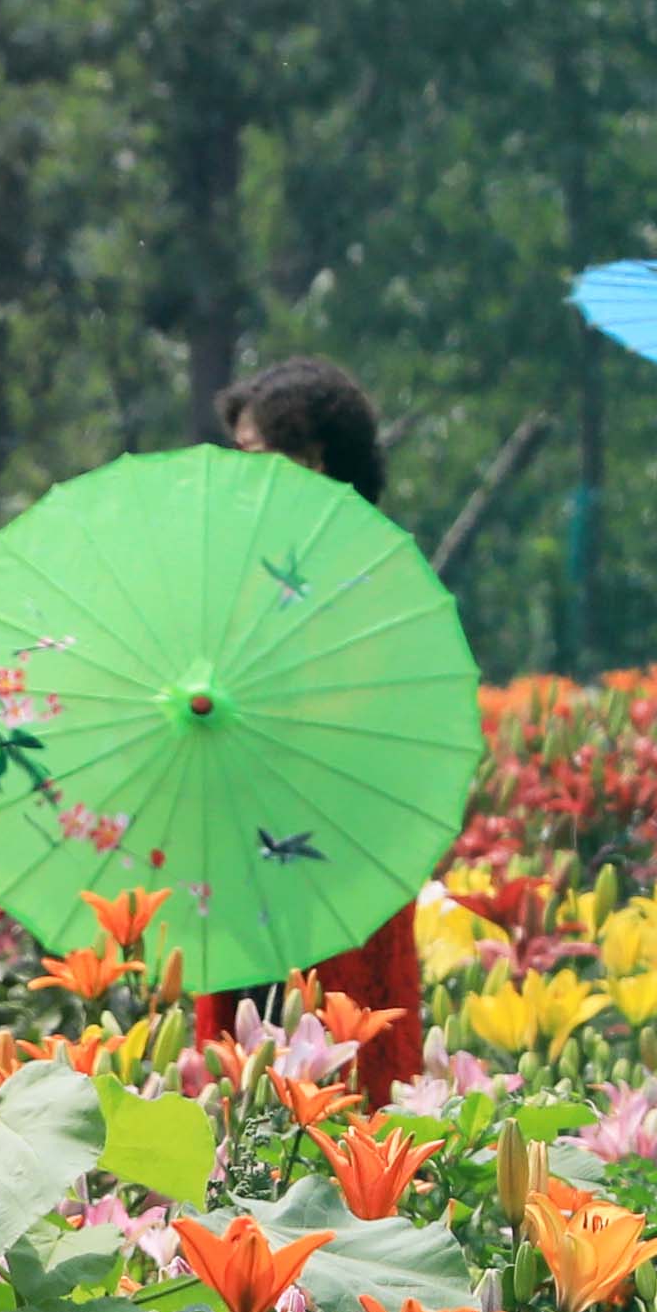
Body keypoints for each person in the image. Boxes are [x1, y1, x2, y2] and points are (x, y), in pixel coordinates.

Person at [211, 354, 429, 1095]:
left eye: (255, 458)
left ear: (313, 461)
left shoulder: (372, 571)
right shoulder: (242, 567)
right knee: (246, 1063)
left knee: (338, 1056)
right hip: (242, 843)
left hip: (338, 850)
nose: (243, 479)